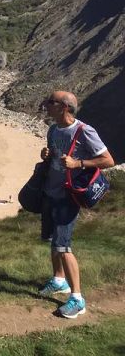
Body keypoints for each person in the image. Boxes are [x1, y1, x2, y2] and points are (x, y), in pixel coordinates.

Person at [38, 90, 115, 318]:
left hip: (68, 197)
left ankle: (77, 299)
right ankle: (59, 280)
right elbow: (55, 155)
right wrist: (47, 155)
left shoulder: (84, 131)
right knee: (53, 241)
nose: (46, 105)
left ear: (64, 107)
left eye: (50, 102)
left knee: (64, 246)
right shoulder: (53, 129)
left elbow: (108, 160)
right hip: (50, 192)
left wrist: (78, 162)